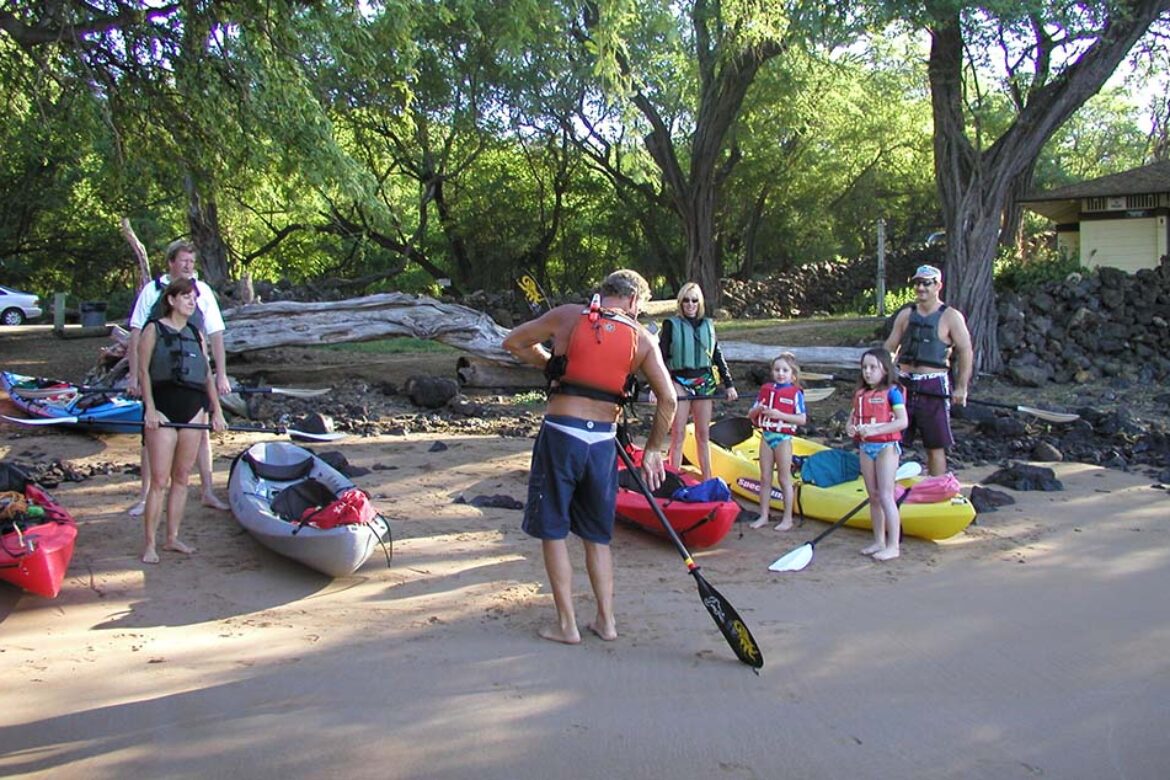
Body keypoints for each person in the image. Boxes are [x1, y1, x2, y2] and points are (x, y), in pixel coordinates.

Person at [503, 269, 676, 645]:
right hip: (601, 444)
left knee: (553, 532)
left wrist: (549, 363)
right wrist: (653, 451)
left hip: (561, 435)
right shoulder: (642, 339)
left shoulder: (567, 316)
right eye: (640, 306)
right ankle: (606, 622)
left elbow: (513, 342)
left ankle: (567, 626)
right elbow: (669, 400)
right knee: (598, 537)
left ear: (605, 292)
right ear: (632, 300)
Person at [126, 239, 232, 513]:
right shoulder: (152, 291)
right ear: (171, 262)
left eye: (192, 262)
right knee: (150, 435)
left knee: (201, 434)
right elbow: (136, 333)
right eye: (183, 261)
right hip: (161, 379)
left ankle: (208, 490)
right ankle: (145, 496)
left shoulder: (203, 291)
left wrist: (222, 375)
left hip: (193, 377)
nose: (188, 266)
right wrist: (134, 377)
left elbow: (215, 333)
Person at [137, 277, 227, 563]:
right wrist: (149, 408)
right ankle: (150, 544)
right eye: (186, 296)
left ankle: (172, 538)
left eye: (194, 297)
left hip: (193, 408)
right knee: (160, 480)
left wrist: (217, 411)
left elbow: (206, 375)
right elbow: (143, 373)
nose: (192, 301)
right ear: (172, 300)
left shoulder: (196, 333)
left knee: (182, 478)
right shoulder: (153, 330)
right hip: (162, 409)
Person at [883, 264, 973, 476]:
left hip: (933, 385)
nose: (921, 287)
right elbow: (889, 348)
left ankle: (938, 487)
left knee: (935, 445)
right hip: (904, 383)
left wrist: (961, 387)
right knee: (891, 440)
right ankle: (888, 488)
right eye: (917, 283)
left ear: (938, 286)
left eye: (926, 283)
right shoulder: (906, 314)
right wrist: (882, 377)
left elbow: (966, 351)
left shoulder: (951, 316)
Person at [658, 282, 737, 481]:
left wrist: (729, 384)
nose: (690, 304)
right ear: (680, 302)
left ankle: (708, 480)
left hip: (704, 382)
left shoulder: (708, 325)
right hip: (679, 381)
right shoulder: (670, 324)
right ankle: (672, 481)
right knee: (678, 435)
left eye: (694, 300)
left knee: (703, 435)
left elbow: (717, 355)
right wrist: (657, 387)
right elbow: (660, 357)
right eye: (686, 300)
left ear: (700, 302)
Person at [846, 348, 908, 561]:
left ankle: (893, 546)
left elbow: (902, 421)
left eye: (873, 367)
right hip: (866, 447)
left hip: (886, 447)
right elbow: (852, 419)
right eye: (865, 367)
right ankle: (878, 541)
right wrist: (851, 429)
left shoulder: (893, 392)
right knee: (873, 495)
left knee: (885, 495)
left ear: (884, 368)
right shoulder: (860, 395)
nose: (868, 372)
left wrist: (876, 430)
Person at [747, 352, 806, 531]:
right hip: (767, 436)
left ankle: (787, 518)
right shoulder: (765, 390)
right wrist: (758, 409)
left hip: (783, 439)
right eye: (777, 370)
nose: (781, 373)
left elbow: (802, 419)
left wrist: (780, 415)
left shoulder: (796, 394)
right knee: (765, 477)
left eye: (785, 370)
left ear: (792, 374)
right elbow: (750, 415)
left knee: (784, 478)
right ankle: (763, 515)